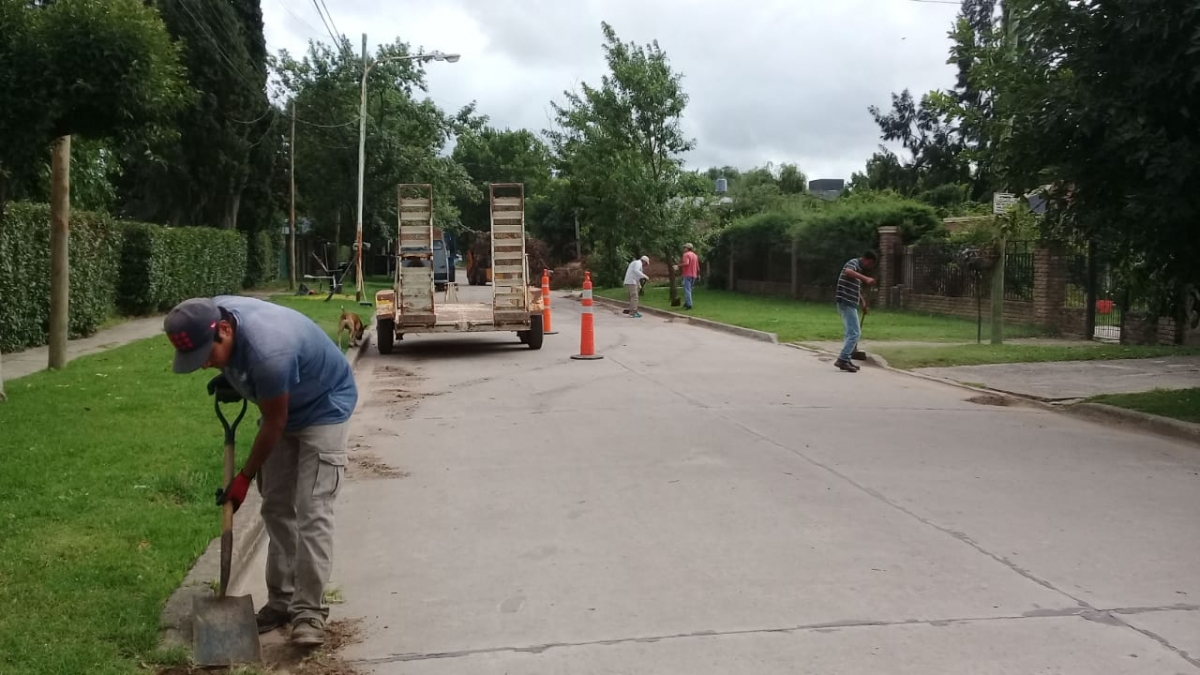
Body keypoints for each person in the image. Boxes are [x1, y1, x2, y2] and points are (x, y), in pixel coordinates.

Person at [163, 295, 359, 647]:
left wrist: (244, 477)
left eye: (207, 356)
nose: (206, 365)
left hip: (324, 405)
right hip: (284, 400)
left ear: (224, 329)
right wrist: (236, 378)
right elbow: (247, 376)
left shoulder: (270, 350)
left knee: (312, 509)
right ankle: (283, 601)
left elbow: (274, 421)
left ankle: (309, 612)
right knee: (275, 505)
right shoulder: (213, 313)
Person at [834, 251, 877, 373]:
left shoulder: (858, 269)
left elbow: (855, 288)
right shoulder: (853, 263)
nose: (869, 267)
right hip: (846, 302)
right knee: (854, 333)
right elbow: (848, 271)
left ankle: (846, 359)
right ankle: (842, 359)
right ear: (867, 260)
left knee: (850, 333)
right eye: (869, 264)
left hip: (850, 303)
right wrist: (866, 278)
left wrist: (862, 302)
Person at [678, 243, 700, 310]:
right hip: (694, 275)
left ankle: (689, 305)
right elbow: (697, 266)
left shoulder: (686, 254)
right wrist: (698, 274)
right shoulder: (695, 256)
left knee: (687, 290)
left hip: (687, 274)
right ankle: (687, 302)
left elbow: (686, 263)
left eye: (685, 248)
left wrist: (678, 266)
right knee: (689, 290)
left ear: (687, 248)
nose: (684, 249)